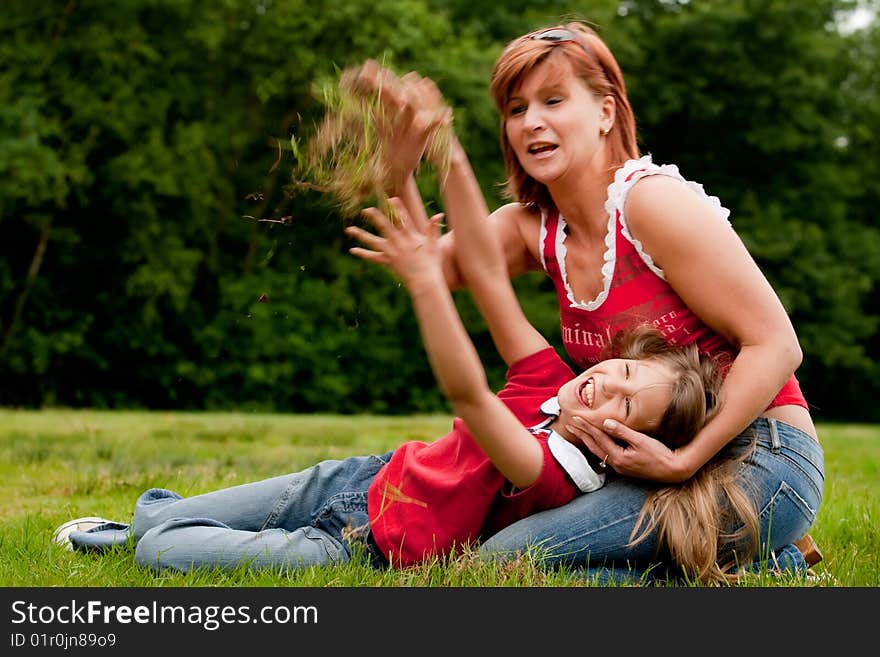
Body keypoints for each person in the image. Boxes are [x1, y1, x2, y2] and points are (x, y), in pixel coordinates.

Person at [352, 20, 825, 578]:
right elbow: (425, 267)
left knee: (510, 559)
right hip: (644, 462)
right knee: (509, 558)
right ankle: (765, 566)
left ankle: (763, 556)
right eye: (516, 108)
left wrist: (684, 461)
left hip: (759, 453)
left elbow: (776, 344)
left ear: (605, 112)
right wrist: (402, 172)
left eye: (553, 99)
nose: (532, 122)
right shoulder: (533, 229)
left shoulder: (652, 205)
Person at [53, 195, 728, 580]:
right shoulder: (554, 379)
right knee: (152, 520)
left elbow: (468, 395)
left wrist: (427, 285)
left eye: (628, 407)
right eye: (625, 373)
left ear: (624, 445)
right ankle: (152, 518)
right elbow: (491, 279)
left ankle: (151, 531)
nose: (607, 389)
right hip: (353, 479)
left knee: (158, 547)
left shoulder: (552, 472)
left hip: (353, 546)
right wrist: (443, 150)